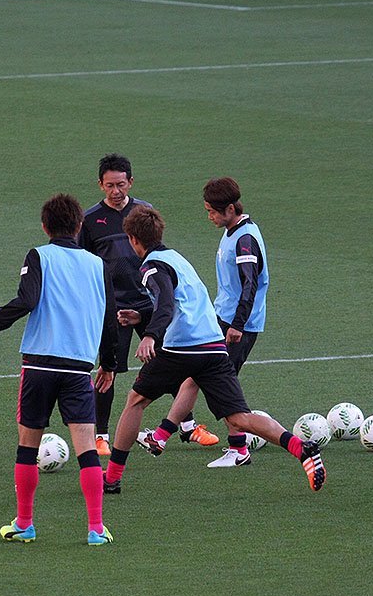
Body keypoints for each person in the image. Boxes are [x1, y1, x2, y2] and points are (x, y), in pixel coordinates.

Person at [102, 205, 326, 494]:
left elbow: (166, 304)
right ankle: (301, 448)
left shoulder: (151, 267)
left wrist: (149, 336)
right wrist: (142, 316)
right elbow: (183, 302)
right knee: (239, 418)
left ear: (133, 239)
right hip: (214, 346)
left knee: (136, 400)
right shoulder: (177, 259)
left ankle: (111, 478)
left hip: (182, 348)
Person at [0, 193, 118, 545]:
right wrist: (109, 364)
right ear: (80, 226)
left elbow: (26, 300)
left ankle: (24, 523)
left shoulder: (39, 256)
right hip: (78, 368)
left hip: (39, 365)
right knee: (87, 450)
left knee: (27, 447)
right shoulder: (98, 265)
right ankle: (95, 528)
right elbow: (110, 318)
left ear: (45, 227)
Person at [79, 153, 218, 456]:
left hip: (149, 305)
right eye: (109, 185)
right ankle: (101, 435)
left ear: (130, 181)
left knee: (171, 362)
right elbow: (83, 264)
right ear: (100, 185)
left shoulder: (144, 212)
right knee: (108, 369)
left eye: (121, 184)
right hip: (113, 308)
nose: (116, 191)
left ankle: (188, 426)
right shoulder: (90, 220)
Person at [136, 177, 270, 468]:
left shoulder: (245, 239)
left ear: (230, 209)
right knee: (194, 378)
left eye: (212, 211)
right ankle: (160, 436)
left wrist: (238, 324)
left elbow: (250, 284)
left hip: (238, 325)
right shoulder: (233, 232)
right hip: (222, 318)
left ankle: (239, 449)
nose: (209, 216)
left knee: (222, 388)